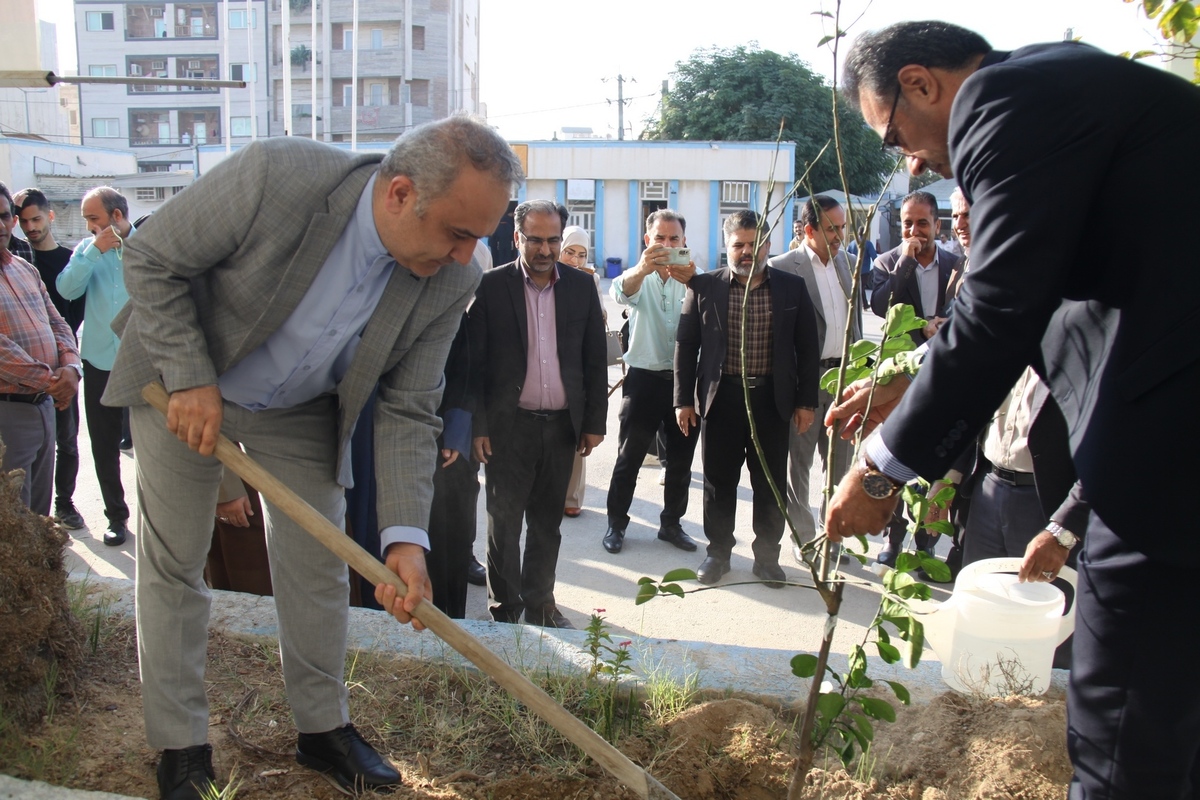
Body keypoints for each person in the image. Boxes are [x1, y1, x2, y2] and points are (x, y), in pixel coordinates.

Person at [827, 21, 1200, 799]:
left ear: (922, 84)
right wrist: (920, 373)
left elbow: (1000, 303)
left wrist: (880, 472)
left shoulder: (1002, 101)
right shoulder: (1065, 80)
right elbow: (1039, 283)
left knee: (1122, 736)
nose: (915, 162)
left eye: (896, 139)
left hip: (1166, 463)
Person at [102, 115, 522, 799]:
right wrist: (188, 376)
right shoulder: (276, 177)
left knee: (319, 565)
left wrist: (406, 539)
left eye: (480, 236)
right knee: (175, 562)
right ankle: (180, 744)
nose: (465, 254)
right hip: (185, 378)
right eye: (456, 232)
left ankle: (323, 730)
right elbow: (152, 259)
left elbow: (409, 406)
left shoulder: (454, 277)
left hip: (301, 406)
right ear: (398, 194)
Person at [468, 200, 607, 629]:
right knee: (503, 525)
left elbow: (594, 359)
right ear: (517, 238)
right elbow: (473, 362)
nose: (545, 250)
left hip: (562, 427)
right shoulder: (491, 287)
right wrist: (478, 425)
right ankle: (506, 610)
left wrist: (594, 423)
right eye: (535, 240)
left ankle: (541, 604)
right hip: (508, 429)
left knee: (547, 524)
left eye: (552, 240)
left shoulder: (581, 288)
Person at [674, 210, 819, 587]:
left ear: (768, 245)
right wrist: (683, 401)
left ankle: (767, 558)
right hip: (721, 401)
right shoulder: (705, 286)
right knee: (717, 483)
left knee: (769, 483)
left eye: (754, 244)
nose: (746, 251)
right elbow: (686, 345)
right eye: (738, 244)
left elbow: (807, 347)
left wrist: (806, 402)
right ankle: (718, 553)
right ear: (727, 246)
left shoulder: (791, 288)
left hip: (772, 401)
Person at [767, 196, 860, 564]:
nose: (840, 235)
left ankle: (832, 535)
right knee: (799, 465)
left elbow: (857, 325)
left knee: (839, 464)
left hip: (845, 381)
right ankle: (805, 538)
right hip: (805, 383)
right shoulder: (783, 268)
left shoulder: (849, 264)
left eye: (843, 227)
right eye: (832, 228)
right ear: (809, 230)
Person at [603, 209, 700, 555]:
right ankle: (616, 523)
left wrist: (691, 279)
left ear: (684, 242)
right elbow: (619, 292)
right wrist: (644, 268)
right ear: (648, 240)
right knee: (629, 456)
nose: (667, 245)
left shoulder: (696, 278)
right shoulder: (637, 276)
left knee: (680, 460)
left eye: (674, 239)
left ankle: (671, 524)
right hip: (644, 379)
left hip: (686, 383)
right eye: (659, 238)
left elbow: (713, 307)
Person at [56, 187, 134, 546]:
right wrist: (93, 251)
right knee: (103, 445)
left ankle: (159, 518)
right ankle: (116, 517)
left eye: (94, 218)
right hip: (100, 360)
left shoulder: (148, 247)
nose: (89, 225)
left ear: (116, 217)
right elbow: (67, 289)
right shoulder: (87, 251)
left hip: (144, 361)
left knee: (153, 444)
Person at [0, 182, 82, 515]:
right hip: (8, 412)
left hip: (44, 406)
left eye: (5, 216)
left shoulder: (25, 268)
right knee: (11, 526)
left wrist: (72, 370)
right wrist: (53, 380)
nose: (1, 225)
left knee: (37, 520)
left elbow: (58, 323)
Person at [869, 191, 961, 344]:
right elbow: (880, 308)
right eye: (908, 223)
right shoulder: (886, 263)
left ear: (937, 226)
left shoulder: (954, 264)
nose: (913, 231)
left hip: (944, 354)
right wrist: (905, 262)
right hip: (902, 359)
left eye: (922, 223)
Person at [559, 224, 602, 518]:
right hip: (547, 365)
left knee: (574, 437)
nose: (575, 260)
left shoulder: (590, 280)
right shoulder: (546, 275)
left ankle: (571, 498)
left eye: (581, 254)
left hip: (577, 368)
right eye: (569, 252)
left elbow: (599, 320)